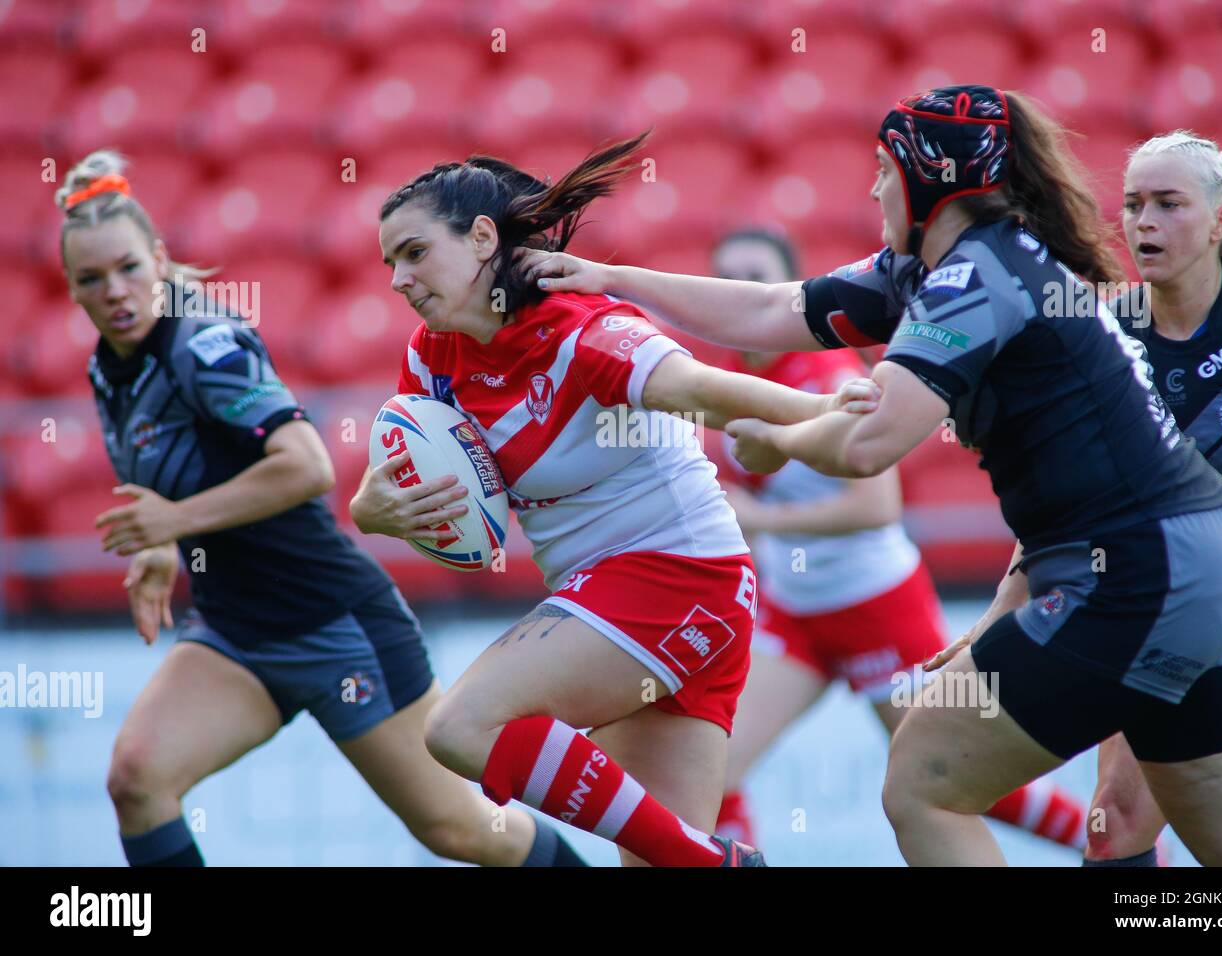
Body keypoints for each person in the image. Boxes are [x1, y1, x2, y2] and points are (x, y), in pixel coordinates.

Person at [519, 86, 1222, 866]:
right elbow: (772, 309)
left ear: (935, 180)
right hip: (1212, 566)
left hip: (1139, 580)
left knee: (924, 783)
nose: (870, 188)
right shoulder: (950, 265)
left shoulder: (975, 275)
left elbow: (867, 450)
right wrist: (612, 279)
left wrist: (772, 437)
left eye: (884, 169)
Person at [349, 134, 875, 866]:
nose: (400, 279)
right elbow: (391, 488)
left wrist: (821, 412)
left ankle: (716, 859)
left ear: (479, 239)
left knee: (460, 727)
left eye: (413, 252)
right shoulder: (431, 357)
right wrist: (375, 513)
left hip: (673, 578)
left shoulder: (577, 329)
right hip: (655, 603)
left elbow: (701, 391)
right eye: (389, 264)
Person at [60, 149, 582, 867]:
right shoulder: (108, 366)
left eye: (127, 267)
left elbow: (305, 466)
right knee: (138, 780)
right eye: (92, 279)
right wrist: (155, 549)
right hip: (237, 630)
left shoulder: (205, 345)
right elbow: (158, 483)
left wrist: (174, 525)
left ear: (157, 258)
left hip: (334, 622)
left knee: (459, 830)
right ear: (72, 290)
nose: (115, 290)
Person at [709, 228, 1087, 854]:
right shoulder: (724, 374)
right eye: (727, 276)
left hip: (877, 605)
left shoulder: (827, 374)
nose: (739, 289)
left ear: (779, 292)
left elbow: (875, 506)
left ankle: (1107, 844)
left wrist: (760, 520)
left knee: (959, 776)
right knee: (713, 772)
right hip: (795, 610)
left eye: (755, 278)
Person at [1083, 130, 1222, 866]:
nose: (1143, 222)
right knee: (1114, 828)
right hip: (1185, 604)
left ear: (1220, 221)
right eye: (1133, 204)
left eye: (1168, 204)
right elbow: (1078, 494)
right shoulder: (1107, 336)